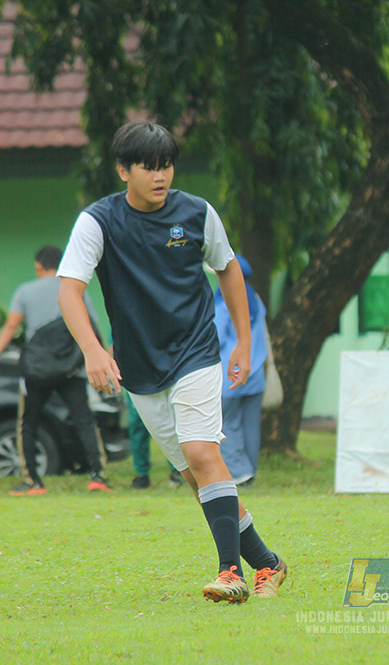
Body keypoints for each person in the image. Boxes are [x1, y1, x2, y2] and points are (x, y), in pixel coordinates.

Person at [56, 120, 286, 603]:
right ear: (123, 171)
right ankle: (267, 562)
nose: (160, 176)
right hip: (139, 367)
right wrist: (93, 349)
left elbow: (228, 270)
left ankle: (230, 572)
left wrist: (244, 342)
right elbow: (69, 290)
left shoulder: (197, 213)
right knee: (195, 476)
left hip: (196, 351)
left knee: (203, 455)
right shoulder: (98, 221)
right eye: (149, 167)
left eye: (166, 166)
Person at [0, 246, 111, 495]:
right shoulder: (74, 290)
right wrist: (103, 356)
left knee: (28, 423)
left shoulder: (25, 291)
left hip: (37, 370)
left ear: (38, 266)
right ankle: (98, 477)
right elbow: (91, 325)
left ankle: (33, 481)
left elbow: (11, 326)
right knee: (85, 420)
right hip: (70, 369)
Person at [213, 254, 268, 486]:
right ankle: (250, 470)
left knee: (226, 423)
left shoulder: (223, 301)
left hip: (230, 374)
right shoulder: (255, 299)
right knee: (250, 425)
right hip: (255, 374)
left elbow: (215, 337)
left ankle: (240, 471)